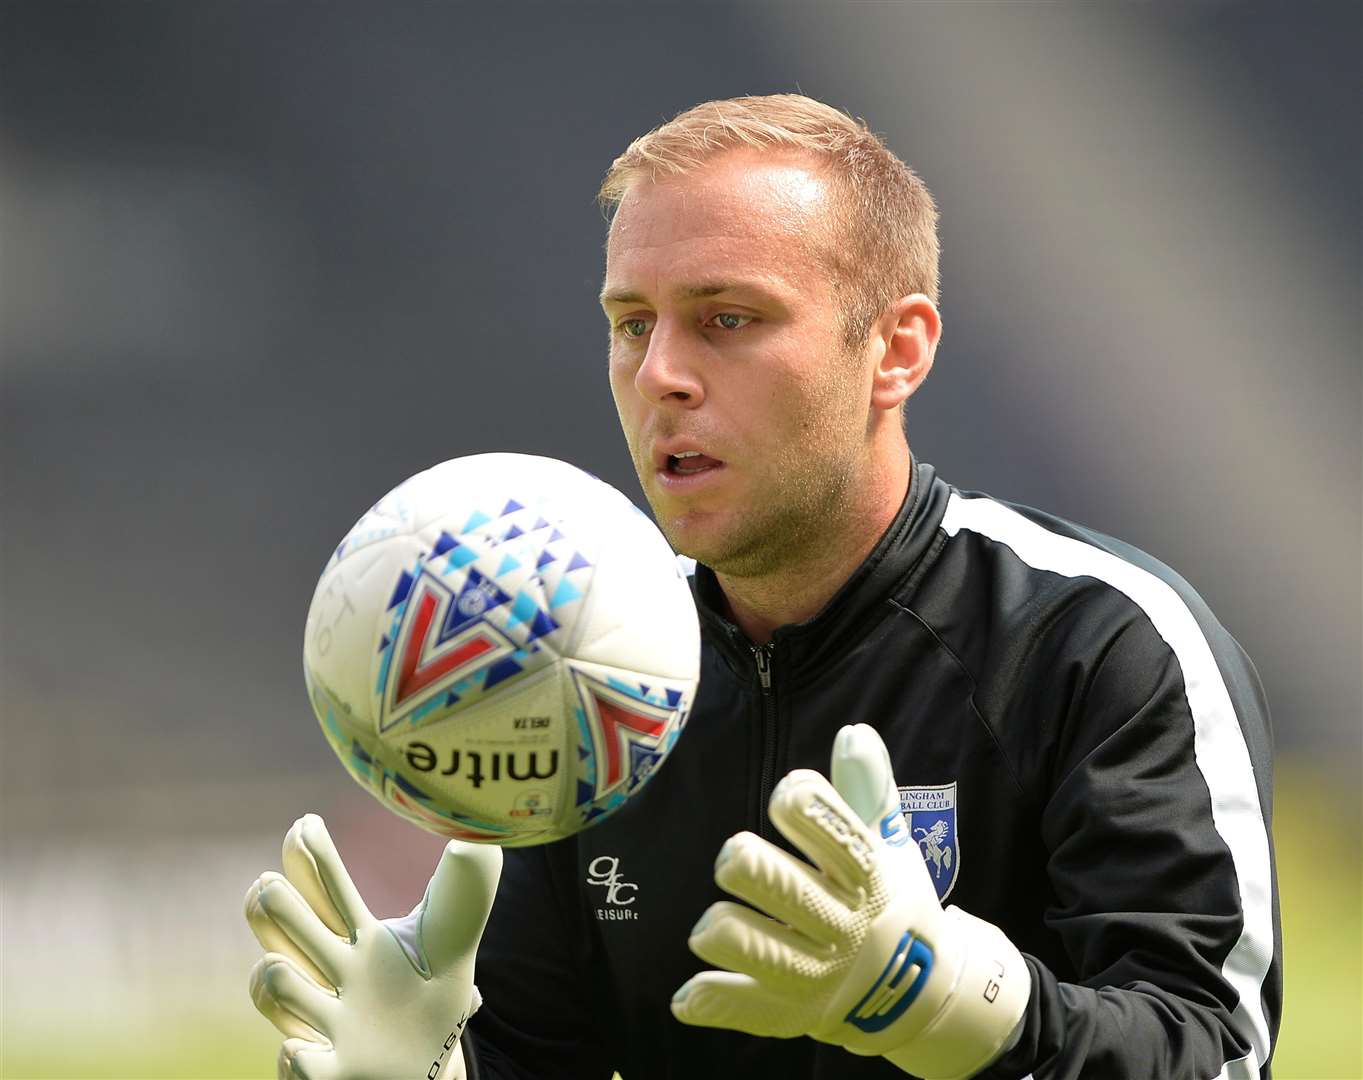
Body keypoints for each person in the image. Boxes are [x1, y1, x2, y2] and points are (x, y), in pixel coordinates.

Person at [245, 95, 1281, 1079]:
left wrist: (945, 1002)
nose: (660, 374)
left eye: (727, 319)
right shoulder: (578, 673)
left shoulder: (1095, 642)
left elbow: (1213, 1052)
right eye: (631, 323)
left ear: (896, 349)